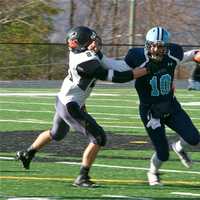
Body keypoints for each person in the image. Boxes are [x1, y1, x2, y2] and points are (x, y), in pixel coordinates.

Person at [16, 26, 151, 188]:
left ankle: (27, 153)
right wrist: (147, 70)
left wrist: (136, 65)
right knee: (98, 138)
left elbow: (114, 65)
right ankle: (82, 177)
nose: (94, 43)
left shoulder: (84, 54)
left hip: (64, 99)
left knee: (57, 133)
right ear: (79, 44)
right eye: (90, 41)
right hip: (70, 106)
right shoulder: (84, 62)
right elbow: (118, 77)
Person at [96, 26, 200, 186]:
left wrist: (197, 55)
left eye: (160, 46)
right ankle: (153, 172)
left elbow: (190, 55)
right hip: (151, 112)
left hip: (171, 106)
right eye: (153, 45)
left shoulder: (173, 54)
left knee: (194, 138)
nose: (156, 50)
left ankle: (178, 147)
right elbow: (116, 66)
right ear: (147, 44)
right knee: (163, 153)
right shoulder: (137, 57)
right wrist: (98, 54)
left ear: (166, 47)